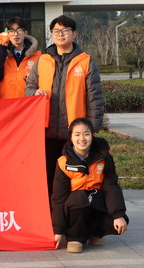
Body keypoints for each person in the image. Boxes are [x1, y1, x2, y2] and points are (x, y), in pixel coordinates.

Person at [25, 15, 104, 197]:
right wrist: (34, 93)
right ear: (51, 34)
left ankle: (73, 209)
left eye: (65, 30)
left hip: (74, 133)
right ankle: (50, 210)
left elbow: (95, 97)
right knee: (47, 175)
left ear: (74, 34)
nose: (60, 34)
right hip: (46, 131)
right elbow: (29, 87)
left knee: (74, 176)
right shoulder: (42, 60)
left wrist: (92, 128)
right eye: (56, 31)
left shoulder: (85, 61)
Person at [51, 118, 129, 253]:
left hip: (96, 200)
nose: (82, 139)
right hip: (75, 207)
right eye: (77, 134)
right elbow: (59, 198)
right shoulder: (63, 162)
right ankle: (75, 238)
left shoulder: (104, 157)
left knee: (114, 215)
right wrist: (58, 230)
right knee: (79, 198)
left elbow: (111, 187)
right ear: (71, 137)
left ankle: (95, 233)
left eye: (86, 134)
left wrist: (118, 215)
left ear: (92, 135)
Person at [0, 17, 41, 98]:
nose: (16, 34)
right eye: (11, 31)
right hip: (8, 103)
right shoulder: (2, 55)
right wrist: (1, 47)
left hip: (29, 103)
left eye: (19, 30)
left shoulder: (37, 56)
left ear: (25, 32)